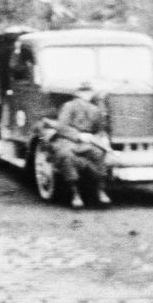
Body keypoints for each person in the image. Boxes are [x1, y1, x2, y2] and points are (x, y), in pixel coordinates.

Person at [52, 81, 111, 209]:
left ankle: (100, 191)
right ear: (77, 93)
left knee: (98, 154)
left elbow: (100, 130)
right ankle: (75, 194)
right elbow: (61, 127)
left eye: (89, 91)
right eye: (83, 91)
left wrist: (103, 138)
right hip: (69, 140)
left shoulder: (95, 110)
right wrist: (78, 135)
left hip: (88, 142)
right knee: (66, 155)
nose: (87, 94)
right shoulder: (69, 106)